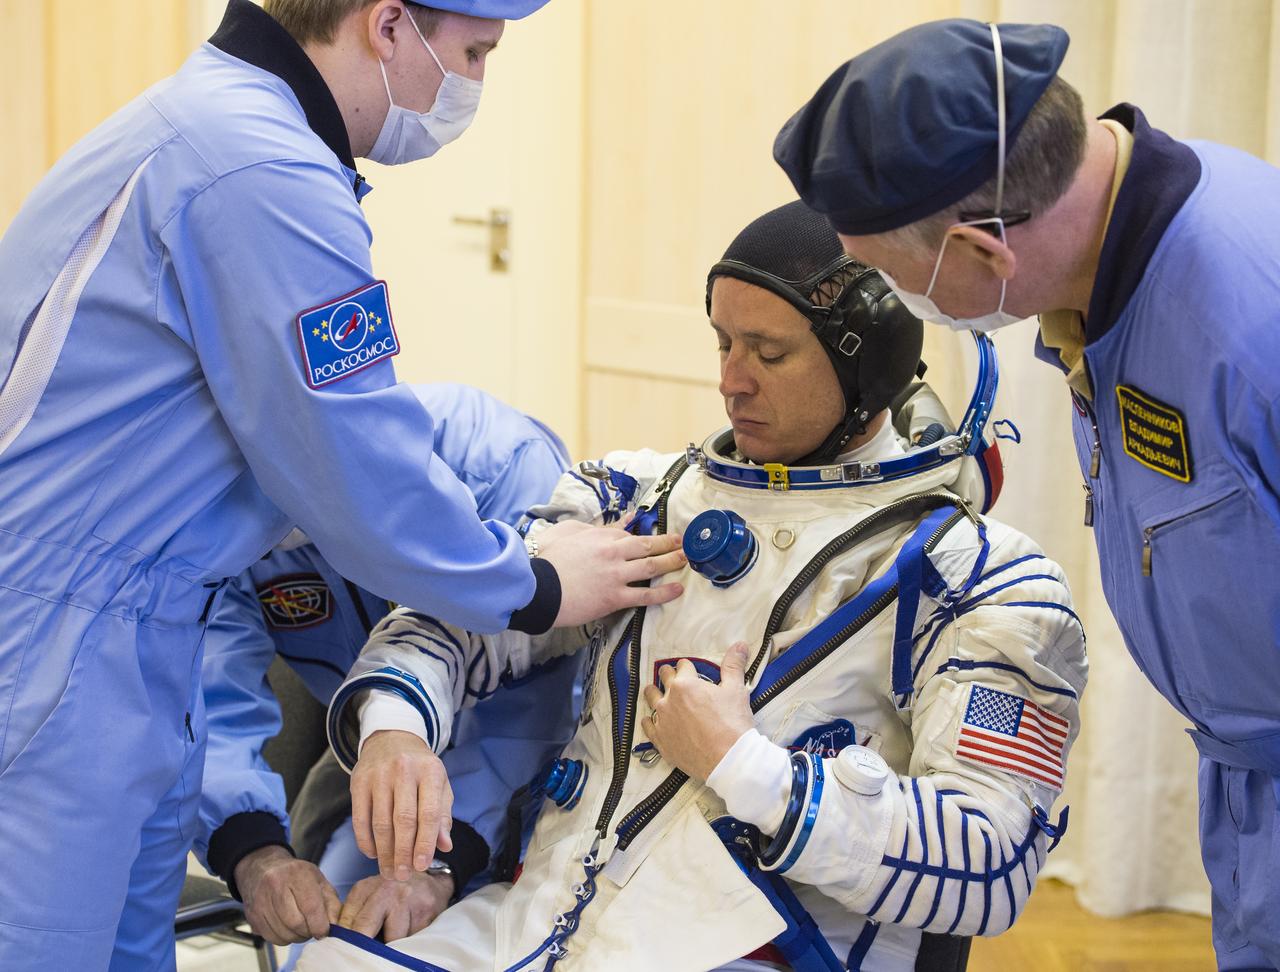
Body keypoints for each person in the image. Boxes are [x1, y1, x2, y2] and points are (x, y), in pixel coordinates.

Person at [0, 1, 684, 966]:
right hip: (62, 643)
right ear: (390, 24)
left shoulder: (211, 129)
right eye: (475, 52)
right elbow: (351, 455)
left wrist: (440, 857)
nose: (476, 85)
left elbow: (539, 709)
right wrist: (533, 585)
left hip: (113, 639)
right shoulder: (263, 169)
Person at [296, 201, 1088, 972]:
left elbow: (992, 862)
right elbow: (459, 621)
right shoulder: (635, 501)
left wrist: (747, 766)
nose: (730, 383)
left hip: (760, 946)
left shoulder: (977, 578)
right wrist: (395, 729)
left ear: (864, 364)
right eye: (722, 343)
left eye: (768, 354)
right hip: (538, 923)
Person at [772, 18, 1280, 969]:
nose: (894, 298)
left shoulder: (1245, 324)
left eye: (889, 274)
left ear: (986, 252)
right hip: (1250, 779)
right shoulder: (1110, 268)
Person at [197, 382, 582, 961]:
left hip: (542, 759)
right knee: (334, 954)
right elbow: (207, 699)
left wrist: (443, 863)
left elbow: (534, 695)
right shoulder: (214, 509)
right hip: (368, 758)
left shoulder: (495, 461)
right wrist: (253, 854)